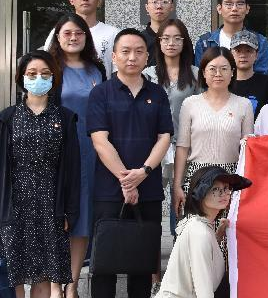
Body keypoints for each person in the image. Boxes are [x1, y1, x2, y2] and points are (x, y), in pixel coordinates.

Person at [88, 28, 173, 298]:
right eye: (125, 51)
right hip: (108, 190)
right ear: (114, 56)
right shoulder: (101, 93)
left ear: (148, 57)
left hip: (148, 189)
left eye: (139, 52)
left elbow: (164, 137)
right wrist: (127, 180)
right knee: (104, 264)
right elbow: (100, 141)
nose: (132, 57)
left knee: (142, 263)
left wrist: (144, 172)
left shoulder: (157, 93)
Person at [0, 51, 80, 298]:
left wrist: (69, 210)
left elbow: (72, 169)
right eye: (32, 73)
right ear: (21, 78)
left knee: (45, 274)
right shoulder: (8, 118)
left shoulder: (65, 118)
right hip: (16, 205)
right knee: (15, 273)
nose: (38, 78)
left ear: (53, 78)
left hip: (51, 205)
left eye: (45, 74)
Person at [45, 14, 106, 298]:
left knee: (81, 218)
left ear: (86, 37)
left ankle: (71, 286)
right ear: (57, 37)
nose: (73, 37)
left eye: (79, 33)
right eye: (67, 33)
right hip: (57, 151)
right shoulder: (49, 68)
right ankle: (55, 286)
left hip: (91, 151)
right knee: (57, 217)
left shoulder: (97, 69)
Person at [174, 47, 254, 215]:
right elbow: (182, 147)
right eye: (212, 69)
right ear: (203, 72)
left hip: (229, 178)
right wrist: (177, 184)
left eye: (224, 69)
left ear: (232, 72)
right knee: (197, 227)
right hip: (197, 176)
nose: (218, 74)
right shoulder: (190, 103)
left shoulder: (244, 105)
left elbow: (248, 149)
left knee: (226, 229)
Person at [142, 19, 199, 237]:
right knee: (151, 196)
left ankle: (179, 244)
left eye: (177, 38)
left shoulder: (196, 74)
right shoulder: (148, 74)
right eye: (165, 38)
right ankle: (150, 248)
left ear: (185, 42)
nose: (171, 43)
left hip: (185, 145)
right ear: (158, 42)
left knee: (181, 197)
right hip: (154, 146)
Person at [157, 166, 251, 298]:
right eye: (215, 189)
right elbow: (203, 291)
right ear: (201, 194)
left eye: (226, 188)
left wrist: (218, 235)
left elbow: (205, 251)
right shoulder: (200, 232)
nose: (223, 194)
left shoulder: (201, 224)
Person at [43, 0, 120, 75]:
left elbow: (118, 71)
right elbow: (47, 65)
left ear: (99, 1)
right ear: (71, 0)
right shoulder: (59, 32)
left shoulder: (113, 33)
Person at [194, 0, 268, 74]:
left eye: (240, 4)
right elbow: (201, 77)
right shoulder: (204, 42)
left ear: (247, 9)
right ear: (219, 9)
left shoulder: (260, 41)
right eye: (229, 4)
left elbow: (261, 77)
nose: (234, 9)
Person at [229, 30, 268, 118]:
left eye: (248, 51)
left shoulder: (267, 83)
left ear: (256, 55)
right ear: (231, 54)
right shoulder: (224, 83)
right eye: (238, 51)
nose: (243, 55)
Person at [140, 0, 175, 67]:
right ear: (147, 7)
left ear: (172, 7)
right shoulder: (139, 40)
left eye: (164, 2)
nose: (159, 6)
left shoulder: (180, 39)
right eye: (154, 2)